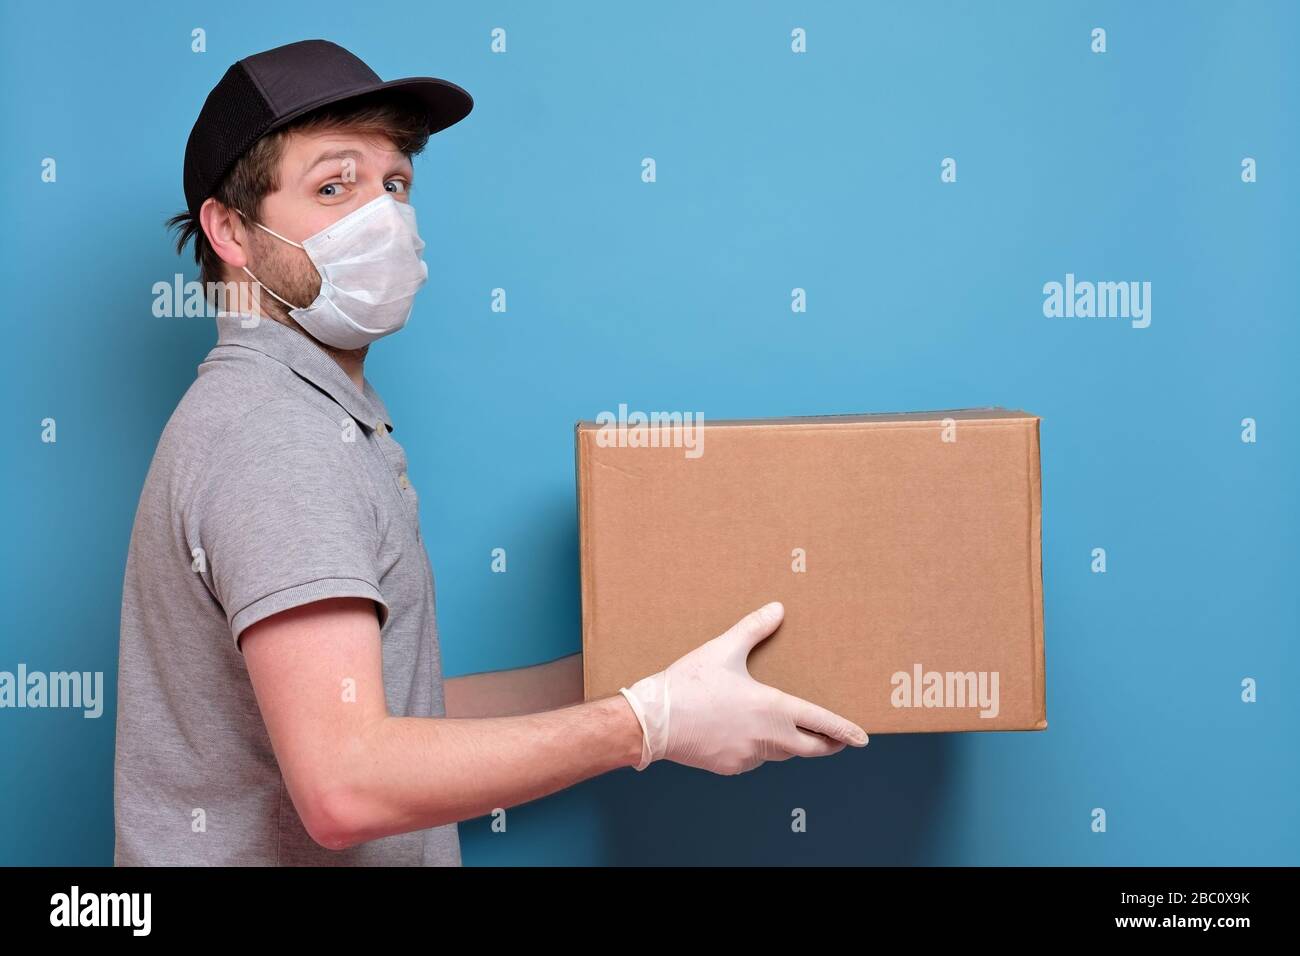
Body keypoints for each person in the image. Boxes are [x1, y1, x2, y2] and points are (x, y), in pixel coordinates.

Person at [114, 39, 868, 867]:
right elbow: (346, 787)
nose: (382, 217)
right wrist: (647, 723)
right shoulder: (275, 435)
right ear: (229, 229)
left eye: (395, 184)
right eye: (333, 187)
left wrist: (638, 675)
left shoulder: (304, 413)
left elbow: (389, 715)